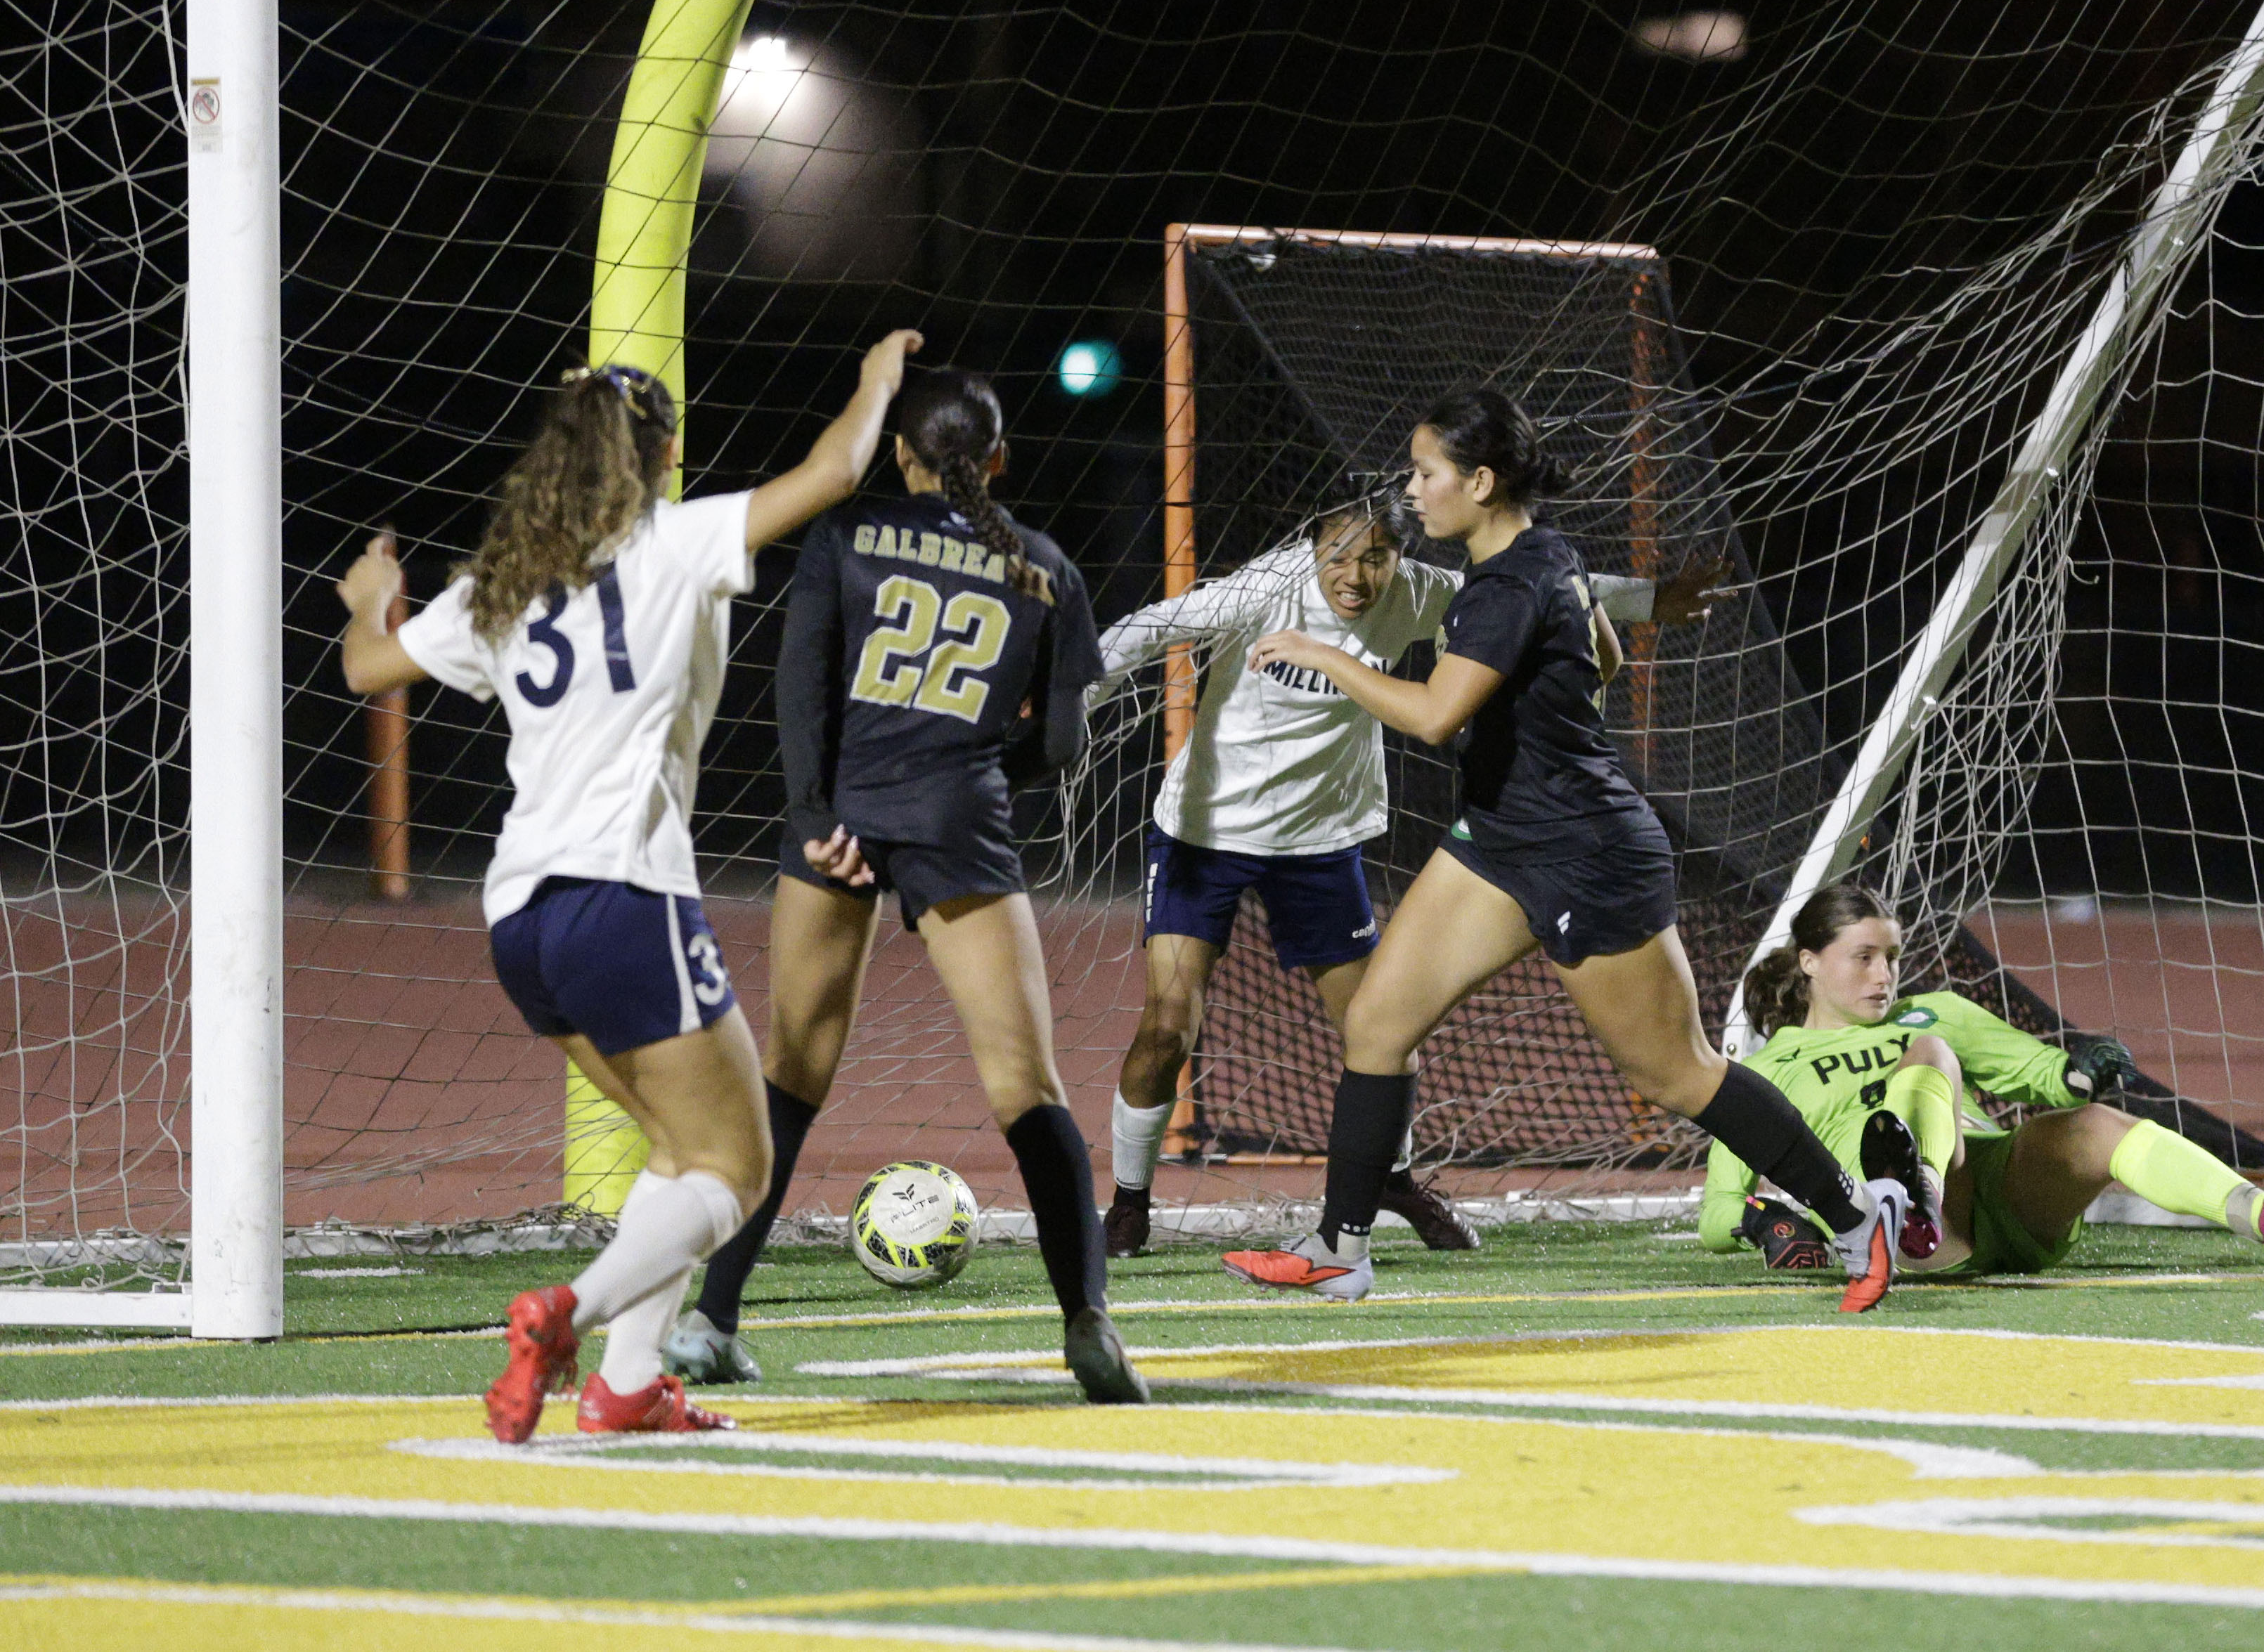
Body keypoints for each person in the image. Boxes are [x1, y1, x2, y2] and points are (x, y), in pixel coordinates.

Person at [336, 332, 921, 1443]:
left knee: (675, 1144)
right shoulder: (672, 541)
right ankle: (569, 1315)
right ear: (661, 457)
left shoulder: (501, 582)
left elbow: (370, 668)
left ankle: (625, 1385)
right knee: (739, 1164)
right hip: (624, 898)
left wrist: (376, 596)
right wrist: (876, 377)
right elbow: (838, 472)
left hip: (521, 919)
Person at [1217, 387, 1902, 1306]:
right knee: (1377, 1024)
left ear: (1481, 480)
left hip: (1587, 853)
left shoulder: (1506, 585)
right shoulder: (1544, 557)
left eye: (1427, 473)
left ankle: (1857, 1220)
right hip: (1503, 835)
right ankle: (1342, 1246)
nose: (1413, 491)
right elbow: (1605, 658)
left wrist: (1324, 653)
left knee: (1674, 1071)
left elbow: (1433, 716)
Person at [662, 365, 1144, 1405]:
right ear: (999, 458)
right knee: (1028, 1086)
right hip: (959, 822)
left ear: (899, 455)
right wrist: (966, 772)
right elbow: (1060, 745)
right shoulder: (1045, 567)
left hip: (838, 820)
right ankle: (1088, 1320)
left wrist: (817, 817)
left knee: (788, 1073)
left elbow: (800, 689)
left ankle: (711, 1317)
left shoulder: (844, 536)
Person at [1092, 486, 1723, 1256]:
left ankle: (1388, 1178)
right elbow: (1146, 628)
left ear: (1398, 557)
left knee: (1382, 1031)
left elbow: (1543, 594)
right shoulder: (1265, 590)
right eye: (1337, 556)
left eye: (1373, 558)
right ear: (1311, 548)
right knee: (1168, 1025)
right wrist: (1070, 699)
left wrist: (1652, 599)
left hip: (1320, 843)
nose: (1353, 576)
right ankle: (1128, 1202)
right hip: (1204, 834)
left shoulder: (1422, 593)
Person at [1702, 880, 2264, 1294]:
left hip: (1997, 1189)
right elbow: (1717, 1210)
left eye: (1892, 956)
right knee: (1929, 1054)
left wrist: (2078, 1069)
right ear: (1809, 961)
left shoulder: (1934, 1011)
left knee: (2094, 1125)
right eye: (1862, 957)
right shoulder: (1761, 1074)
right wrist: (1766, 1220)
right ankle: (1907, 1198)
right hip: (1903, 1230)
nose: (1884, 975)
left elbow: (2038, 1073)